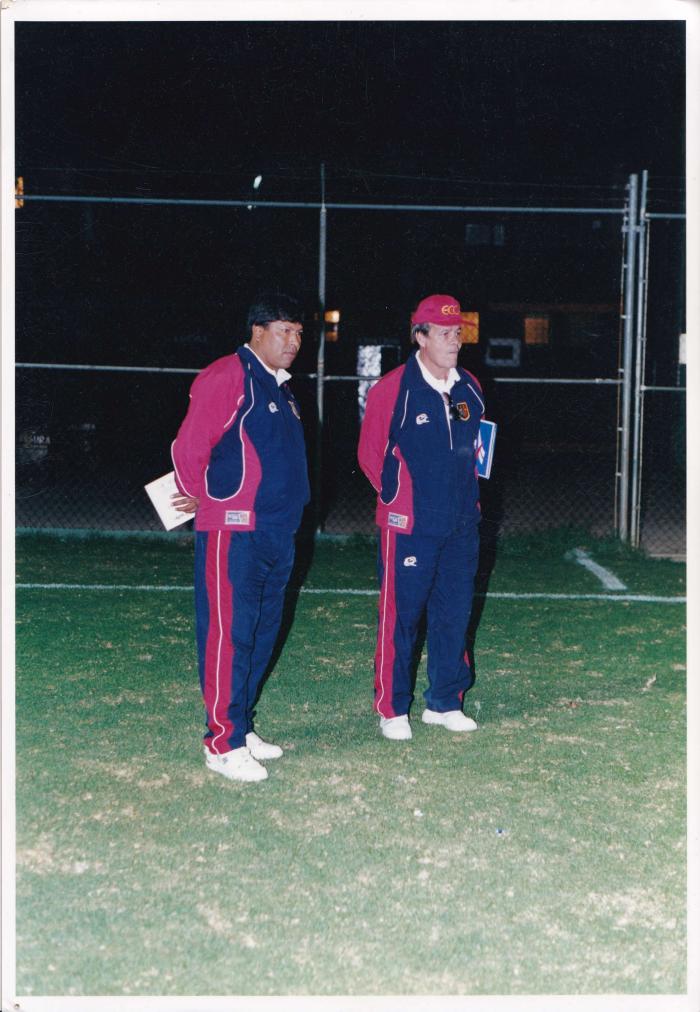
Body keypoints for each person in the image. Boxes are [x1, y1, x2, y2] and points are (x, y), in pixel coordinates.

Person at [171, 293, 309, 781]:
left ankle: (241, 723)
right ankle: (221, 742)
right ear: (257, 331)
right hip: (236, 531)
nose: (294, 341)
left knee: (259, 632)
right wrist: (196, 495)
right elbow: (190, 445)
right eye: (284, 330)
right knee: (230, 633)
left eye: (297, 332)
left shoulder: (281, 387)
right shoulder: (229, 374)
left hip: (277, 531)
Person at [357, 294, 485, 741]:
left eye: (458, 333)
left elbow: (478, 450)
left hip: (461, 525)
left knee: (454, 613)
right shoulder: (392, 388)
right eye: (446, 334)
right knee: (402, 616)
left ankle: (445, 701)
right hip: (410, 527)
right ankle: (392, 709)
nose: (455, 341)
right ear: (421, 336)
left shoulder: (470, 386)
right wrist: (398, 501)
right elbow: (371, 455)